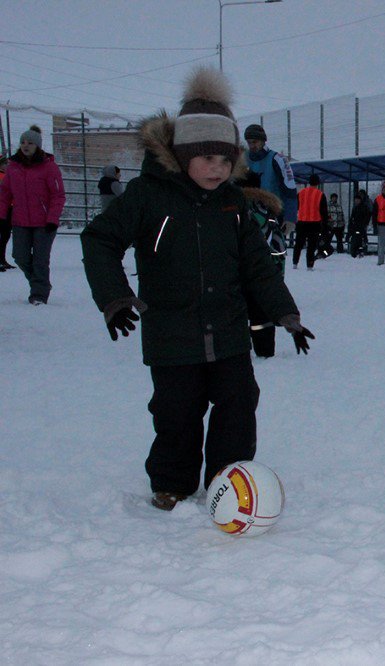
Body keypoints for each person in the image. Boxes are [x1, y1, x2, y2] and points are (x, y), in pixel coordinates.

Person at [80, 67, 314, 511]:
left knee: (239, 403)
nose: (217, 168)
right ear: (182, 154)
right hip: (171, 331)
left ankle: (229, 478)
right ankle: (172, 482)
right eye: (207, 158)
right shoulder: (148, 195)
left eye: (226, 160)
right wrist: (114, 297)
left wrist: (286, 314)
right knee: (176, 411)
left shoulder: (233, 203)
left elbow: (258, 266)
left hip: (227, 329)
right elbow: (99, 240)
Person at [0, 125, 66, 304]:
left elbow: (58, 195)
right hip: (20, 221)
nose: (25, 145)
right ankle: (41, 283)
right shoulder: (13, 168)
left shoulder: (49, 167)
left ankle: (39, 295)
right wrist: (1, 215)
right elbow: (4, 194)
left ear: (38, 145)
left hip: (44, 223)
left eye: (30, 142)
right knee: (19, 256)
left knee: (40, 260)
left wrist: (52, 218)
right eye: (22, 142)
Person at [239, 174, 288, 358]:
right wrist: (277, 275)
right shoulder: (268, 210)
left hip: (235, 273)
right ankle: (265, 350)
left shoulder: (229, 208)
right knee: (261, 316)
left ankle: (238, 350)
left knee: (234, 315)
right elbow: (278, 245)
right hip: (263, 273)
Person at [243, 123, 297, 231]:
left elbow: (290, 190)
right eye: (249, 142)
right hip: (247, 215)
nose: (252, 146)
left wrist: (290, 218)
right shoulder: (242, 159)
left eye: (255, 142)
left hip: (272, 216)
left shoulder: (278, 159)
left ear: (263, 141)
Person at [294, 174, 328, 270]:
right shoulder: (320, 194)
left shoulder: (301, 193)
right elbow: (324, 212)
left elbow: (295, 206)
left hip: (301, 222)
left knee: (298, 244)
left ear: (309, 182)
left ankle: (295, 263)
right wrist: (325, 225)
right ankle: (309, 265)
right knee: (311, 246)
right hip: (314, 224)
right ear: (318, 183)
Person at [348, 189, 371, 258]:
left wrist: (365, 223)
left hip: (361, 226)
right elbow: (352, 217)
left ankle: (361, 251)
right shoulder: (355, 207)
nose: (356, 201)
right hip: (355, 227)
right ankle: (356, 251)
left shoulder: (365, 206)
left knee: (361, 238)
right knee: (356, 239)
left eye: (358, 199)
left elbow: (368, 215)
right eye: (356, 200)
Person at [0, 155, 13, 271]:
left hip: (9, 208)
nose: (7, 166)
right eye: (5, 164)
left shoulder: (7, 176)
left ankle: (2, 259)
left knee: (5, 235)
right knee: (3, 235)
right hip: (3, 209)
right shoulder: (3, 177)